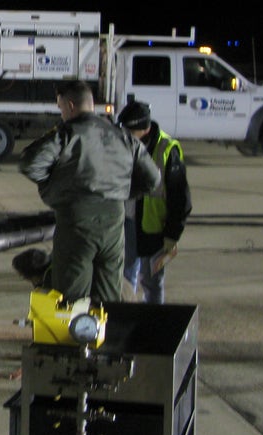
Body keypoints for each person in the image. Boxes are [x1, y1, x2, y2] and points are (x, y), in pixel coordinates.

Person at [19, 82, 161, 305]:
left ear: (71, 105)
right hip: (114, 221)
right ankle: (106, 336)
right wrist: (122, 192)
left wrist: (53, 189)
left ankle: (74, 338)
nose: (62, 114)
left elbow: (30, 163)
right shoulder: (123, 136)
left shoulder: (67, 134)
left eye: (61, 108)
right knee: (109, 294)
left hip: (77, 219)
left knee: (72, 293)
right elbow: (153, 179)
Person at [116, 101, 192, 304]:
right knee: (124, 280)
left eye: (130, 131)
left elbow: (180, 198)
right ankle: (124, 319)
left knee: (152, 283)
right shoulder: (122, 144)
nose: (126, 135)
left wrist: (172, 235)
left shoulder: (167, 149)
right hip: (126, 223)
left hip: (154, 228)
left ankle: (154, 323)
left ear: (145, 129)